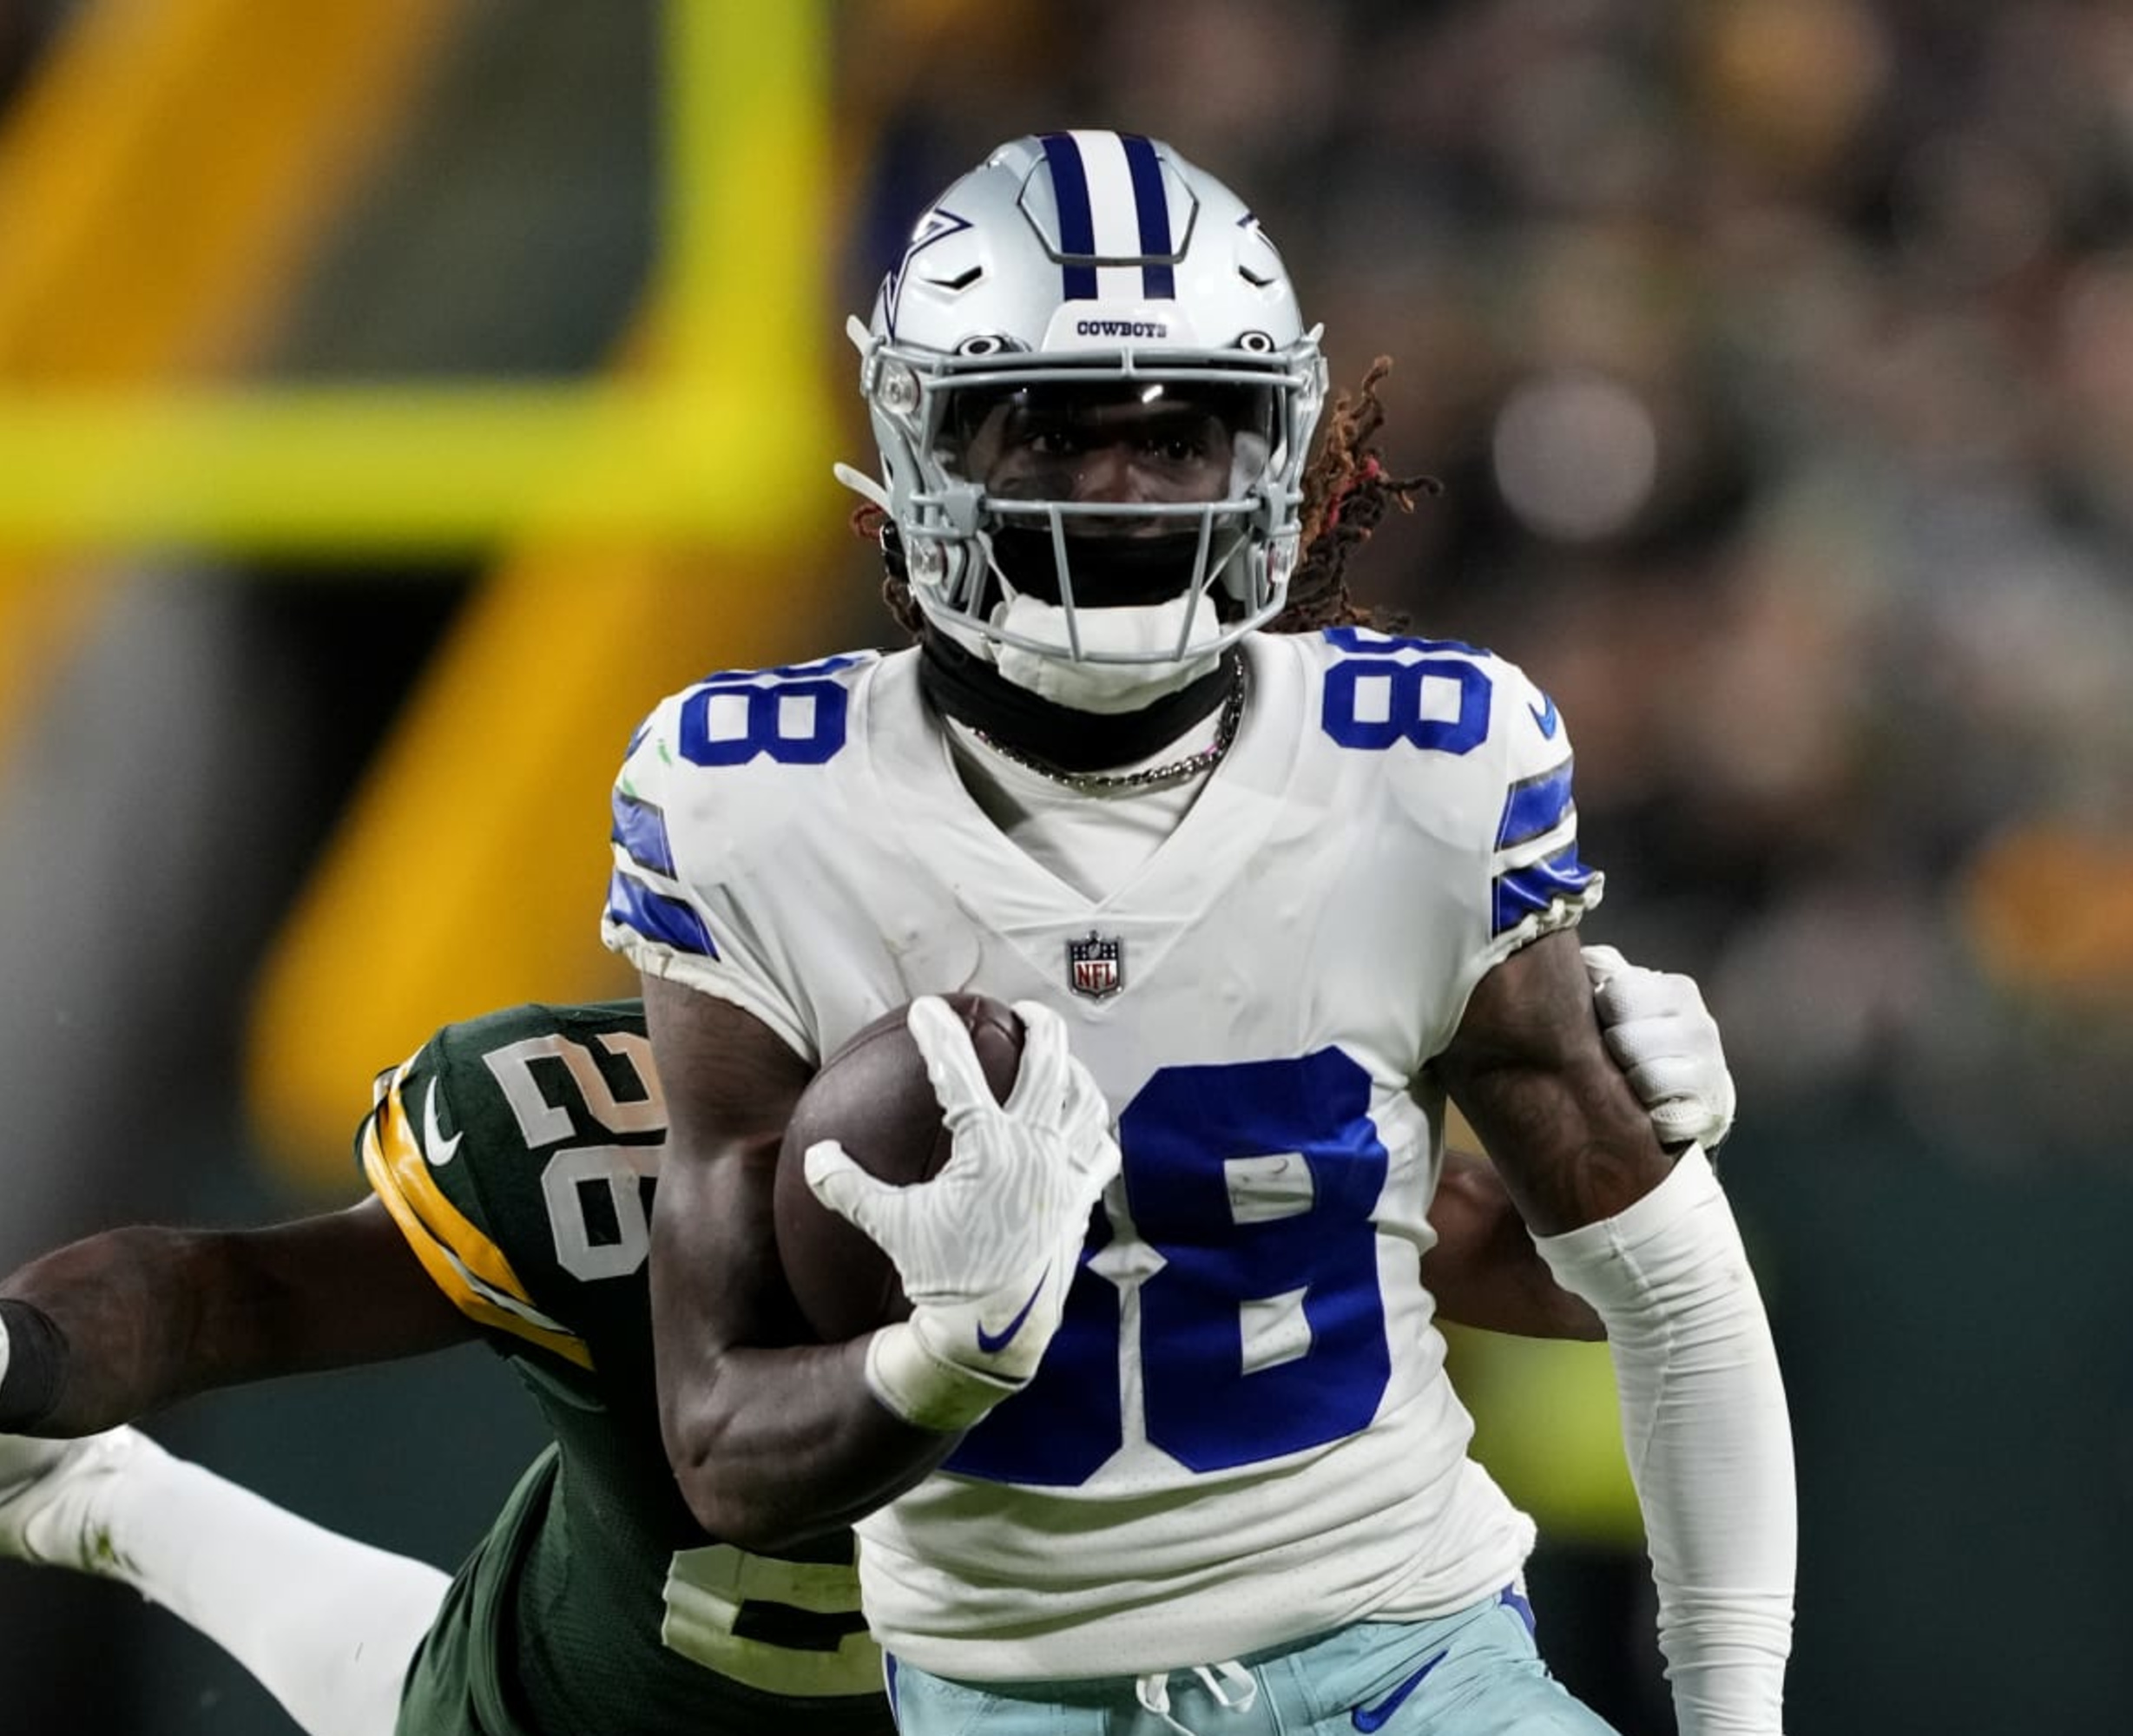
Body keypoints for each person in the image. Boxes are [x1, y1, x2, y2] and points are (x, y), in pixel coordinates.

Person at [610, 132, 1795, 1736]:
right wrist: (952, 1352)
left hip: (1411, 1654)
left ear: (1281, 444)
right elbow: (723, 1444)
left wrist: (1736, 1720)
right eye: (1045, 426)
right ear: (913, 445)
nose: (1119, 489)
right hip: (1014, 1697)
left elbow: (1674, 1291)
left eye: (1182, 432)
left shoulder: (1426, 762)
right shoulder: (758, 806)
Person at [0, 965, 1735, 1736]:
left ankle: (95, 1500)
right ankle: (92, 1499)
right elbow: (230, 1288)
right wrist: (10, 1343)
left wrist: (1642, 1125)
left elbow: (1578, 1264)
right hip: (601, 1690)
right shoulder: (598, 1164)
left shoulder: (1122, 1143)